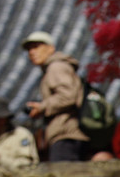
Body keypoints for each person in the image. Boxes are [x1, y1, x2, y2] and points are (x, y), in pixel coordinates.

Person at [22, 30, 89, 162]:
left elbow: (68, 96)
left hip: (66, 134)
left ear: (50, 48)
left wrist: (42, 107)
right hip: (67, 134)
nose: (31, 52)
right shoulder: (54, 68)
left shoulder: (56, 67)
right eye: (29, 49)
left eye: (36, 47)